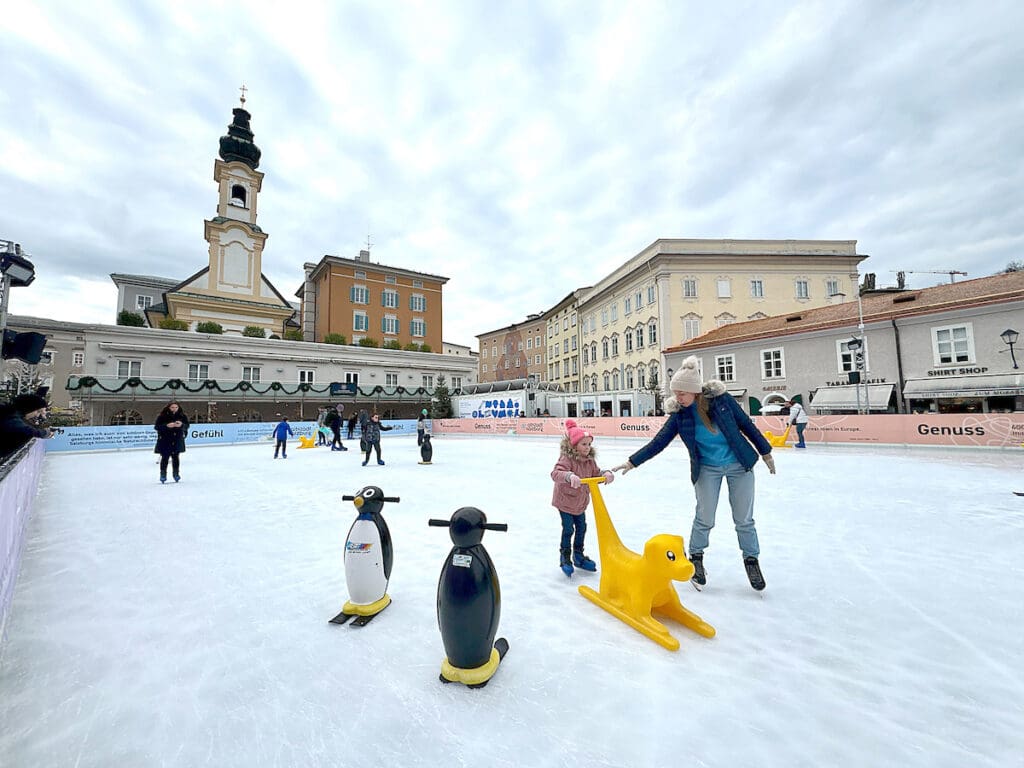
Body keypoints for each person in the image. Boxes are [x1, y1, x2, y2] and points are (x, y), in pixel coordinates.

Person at [611, 356, 775, 591]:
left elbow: (747, 426)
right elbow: (659, 442)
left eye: (681, 393)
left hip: (740, 466)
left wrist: (766, 453)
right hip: (707, 469)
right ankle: (695, 557)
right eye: (675, 393)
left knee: (744, 519)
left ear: (694, 391)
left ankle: (751, 560)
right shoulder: (680, 414)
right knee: (704, 517)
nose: (677, 398)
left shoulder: (723, 401)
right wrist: (632, 462)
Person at [550, 418, 615, 577]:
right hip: (565, 502)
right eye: (583, 444)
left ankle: (578, 555)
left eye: (589, 444)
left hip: (580, 503)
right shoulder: (566, 458)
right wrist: (569, 476)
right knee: (568, 529)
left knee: (582, 528)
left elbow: (596, 473)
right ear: (574, 445)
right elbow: (555, 473)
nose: (587, 448)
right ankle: (565, 557)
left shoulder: (590, 460)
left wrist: (605, 474)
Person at [0, 393, 51, 461]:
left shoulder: (15, 415)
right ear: (30, 408)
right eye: (37, 411)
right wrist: (45, 432)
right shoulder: (10, 416)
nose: (37, 415)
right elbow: (27, 430)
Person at [154, 401, 190, 483]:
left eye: (176, 407)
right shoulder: (162, 416)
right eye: (172, 407)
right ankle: (163, 474)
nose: (174, 409)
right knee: (165, 458)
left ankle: (176, 474)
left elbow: (187, 426)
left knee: (175, 457)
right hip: (165, 440)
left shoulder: (182, 416)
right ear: (169, 408)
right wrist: (166, 426)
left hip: (177, 439)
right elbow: (157, 427)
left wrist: (181, 425)